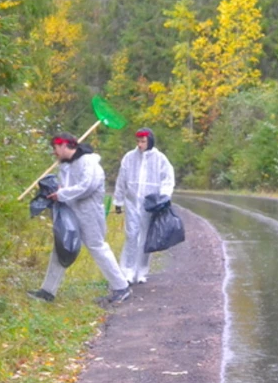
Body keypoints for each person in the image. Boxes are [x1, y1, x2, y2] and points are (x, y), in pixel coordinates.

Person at [28, 133, 131, 304]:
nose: (54, 152)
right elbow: (68, 187)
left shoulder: (89, 162)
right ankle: (47, 291)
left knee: (97, 247)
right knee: (62, 248)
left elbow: (87, 186)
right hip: (70, 212)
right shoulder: (66, 165)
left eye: (55, 148)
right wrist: (58, 190)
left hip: (89, 213)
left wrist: (61, 194)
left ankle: (121, 287)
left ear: (64, 146)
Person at [113, 127, 175, 285]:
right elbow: (121, 180)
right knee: (131, 235)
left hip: (150, 204)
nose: (140, 145)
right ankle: (127, 270)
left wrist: (164, 197)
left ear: (150, 142)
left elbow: (168, 178)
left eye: (143, 141)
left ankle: (141, 271)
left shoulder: (160, 159)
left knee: (145, 237)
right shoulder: (129, 157)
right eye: (138, 141)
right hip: (132, 201)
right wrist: (118, 200)